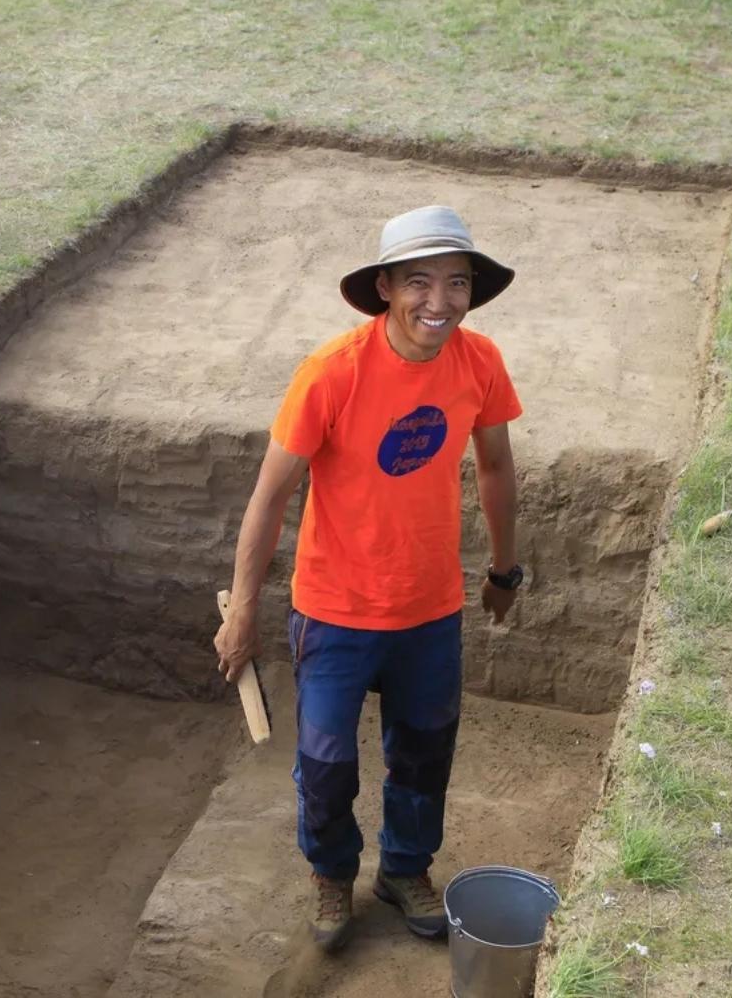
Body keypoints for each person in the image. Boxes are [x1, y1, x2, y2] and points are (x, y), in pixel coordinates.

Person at [212, 205, 526, 954]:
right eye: (419, 282)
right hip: (335, 613)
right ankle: (331, 873)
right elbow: (271, 494)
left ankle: (405, 869)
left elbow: (496, 466)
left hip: (429, 609)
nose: (440, 302)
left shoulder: (479, 362)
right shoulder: (333, 373)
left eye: (457, 283)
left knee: (424, 753)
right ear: (384, 286)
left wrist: (505, 571)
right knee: (325, 767)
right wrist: (244, 608)